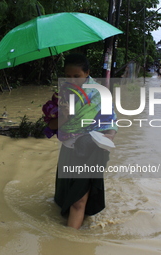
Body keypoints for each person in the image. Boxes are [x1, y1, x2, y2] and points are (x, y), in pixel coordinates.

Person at [42, 53, 118, 229]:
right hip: (69, 151)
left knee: (78, 201)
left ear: (87, 73)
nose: (72, 80)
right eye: (68, 76)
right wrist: (65, 116)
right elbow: (52, 126)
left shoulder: (100, 94)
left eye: (77, 76)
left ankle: (68, 242)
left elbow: (111, 121)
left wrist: (110, 136)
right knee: (66, 197)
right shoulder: (61, 96)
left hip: (92, 150)